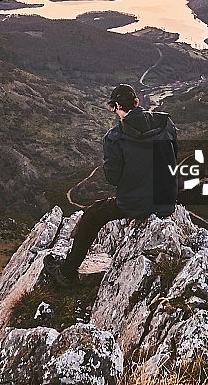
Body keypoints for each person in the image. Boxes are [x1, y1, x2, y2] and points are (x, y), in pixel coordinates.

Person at [42, 83, 178, 288]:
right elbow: (173, 156)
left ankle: (66, 272)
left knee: (92, 216)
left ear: (116, 107)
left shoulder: (114, 137)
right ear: (137, 102)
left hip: (135, 203)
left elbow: (113, 178)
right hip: (167, 200)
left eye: (112, 107)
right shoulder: (165, 122)